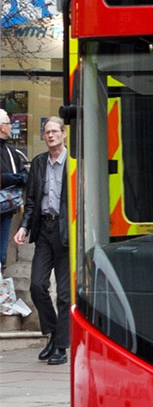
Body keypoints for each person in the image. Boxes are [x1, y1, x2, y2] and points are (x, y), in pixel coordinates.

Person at [13, 117, 69, 365]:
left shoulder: (75, 162)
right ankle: (54, 332)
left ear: (64, 134)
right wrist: (24, 228)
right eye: (47, 132)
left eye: (55, 131)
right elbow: (33, 200)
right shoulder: (38, 163)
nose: (50, 136)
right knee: (37, 285)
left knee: (65, 294)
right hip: (44, 229)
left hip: (67, 231)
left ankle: (61, 347)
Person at [0, 109, 28, 273]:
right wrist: (8, 179)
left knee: (1, 256)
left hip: (7, 209)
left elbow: (24, 173)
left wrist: (20, 178)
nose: (12, 127)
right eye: (9, 124)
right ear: (2, 127)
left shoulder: (12, 151)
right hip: (7, 205)